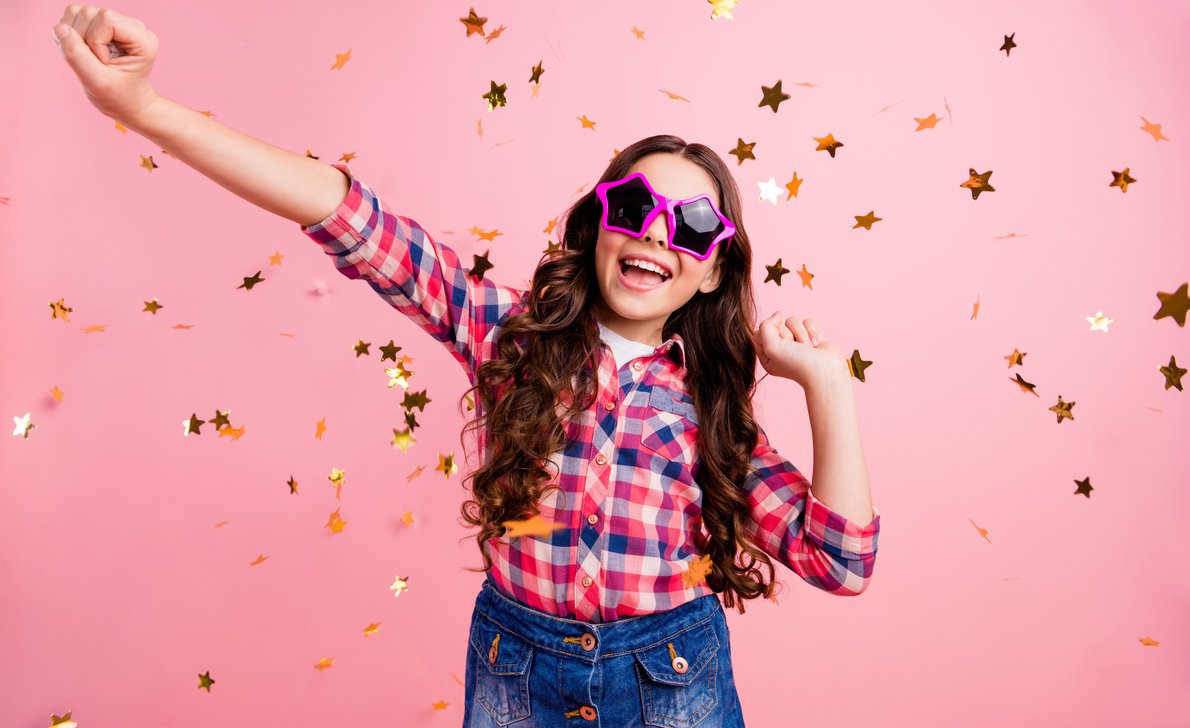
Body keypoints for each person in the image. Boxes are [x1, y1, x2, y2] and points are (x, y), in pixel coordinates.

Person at [52, 7, 882, 726]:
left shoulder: (712, 410)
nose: (656, 234)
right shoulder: (508, 334)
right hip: (516, 675)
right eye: (633, 208)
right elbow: (347, 215)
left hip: (671, 686)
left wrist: (827, 386)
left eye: (690, 227)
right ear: (596, 226)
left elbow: (841, 562)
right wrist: (146, 108)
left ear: (711, 270)